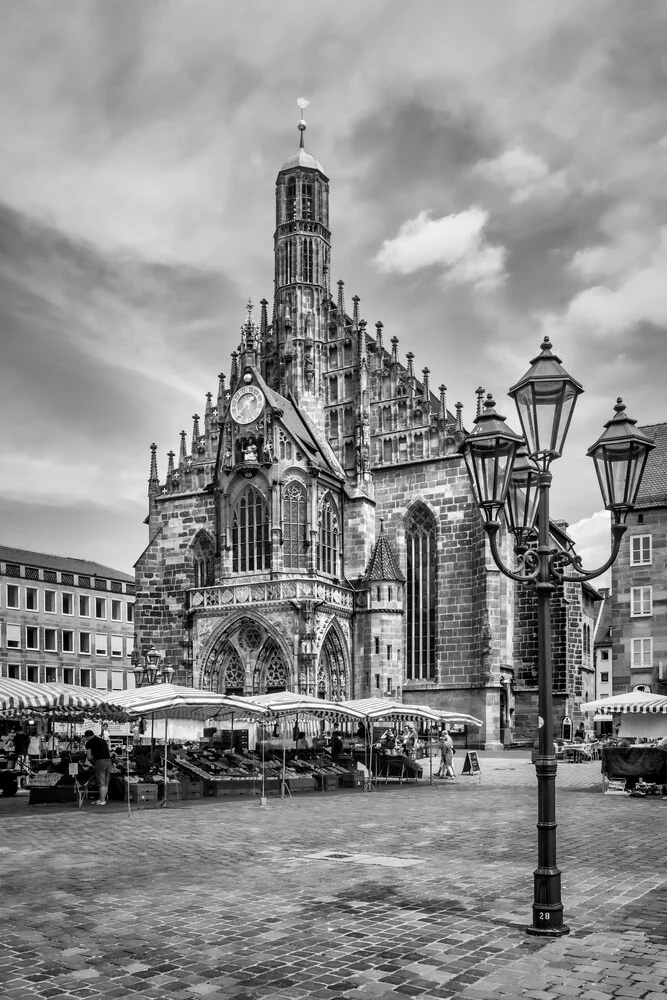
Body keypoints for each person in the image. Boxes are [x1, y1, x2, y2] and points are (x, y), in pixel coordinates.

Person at [84, 728, 112, 806]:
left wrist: (91, 761)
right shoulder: (103, 740)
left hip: (100, 762)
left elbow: (89, 756)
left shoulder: (89, 742)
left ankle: (102, 800)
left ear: (87, 737)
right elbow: (108, 752)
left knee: (101, 782)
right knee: (106, 782)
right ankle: (103, 799)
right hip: (108, 761)